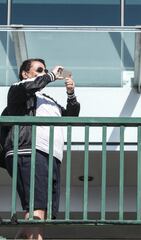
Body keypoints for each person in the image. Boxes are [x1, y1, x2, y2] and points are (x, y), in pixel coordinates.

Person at [3, 58, 80, 239]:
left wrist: (70, 94)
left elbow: (71, 116)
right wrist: (51, 75)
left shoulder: (48, 100)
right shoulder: (19, 89)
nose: (43, 73)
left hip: (51, 156)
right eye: (39, 70)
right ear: (25, 73)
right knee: (36, 209)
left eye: (45, 70)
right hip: (29, 151)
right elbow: (32, 86)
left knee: (41, 214)